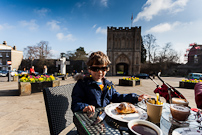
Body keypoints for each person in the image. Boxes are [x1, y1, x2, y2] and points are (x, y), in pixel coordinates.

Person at [71, 51, 151, 113]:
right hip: (88, 119)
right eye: (96, 69)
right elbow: (75, 104)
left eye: (103, 69)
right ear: (89, 69)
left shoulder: (107, 84)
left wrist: (135, 97)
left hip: (104, 118)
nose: (100, 72)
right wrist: (84, 107)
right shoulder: (82, 84)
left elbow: (116, 97)